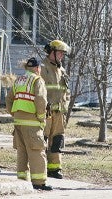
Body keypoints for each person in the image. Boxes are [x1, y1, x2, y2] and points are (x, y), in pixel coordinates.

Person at [6, 57, 52, 191]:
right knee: (37, 151)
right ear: (38, 68)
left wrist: (14, 114)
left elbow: (9, 99)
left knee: (22, 151)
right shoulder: (37, 80)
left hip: (18, 122)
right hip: (32, 122)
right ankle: (38, 182)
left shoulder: (19, 80)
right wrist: (42, 118)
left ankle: (22, 180)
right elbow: (40, 100)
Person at [41, 40, 71, 179]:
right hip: (45, 112)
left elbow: (66, 92)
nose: (61, 56)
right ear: (51, 52)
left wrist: (65, 106)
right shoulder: (42, 68)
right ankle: (39, 166)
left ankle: (54, 168)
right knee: (42, 140)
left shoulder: (61, 70)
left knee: (57, 140)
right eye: (59, 53)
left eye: (63, 54)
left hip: (59, 113)